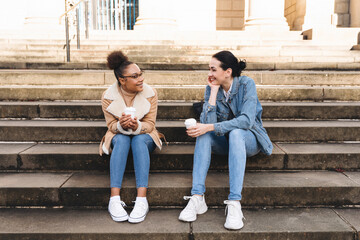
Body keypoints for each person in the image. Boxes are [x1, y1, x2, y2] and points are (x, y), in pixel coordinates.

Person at [178, 51, 273, 230]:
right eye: (209, 69)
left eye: (213, 69)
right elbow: (208, 124)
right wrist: (213, 92)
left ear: (227, 71)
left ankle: (235, 202)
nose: (210, 74)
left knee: (236, 132)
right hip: (225, 142)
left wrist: (211, 127)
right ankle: (197, 197)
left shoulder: (246, 84)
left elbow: (246, 121)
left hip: (249, 140)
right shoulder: (212, 87)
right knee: (203, 133)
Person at [99, 50, 163, 223]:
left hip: (145, 135)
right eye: (135, 76)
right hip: (119, 135)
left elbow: (150, 124)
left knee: (139, 140)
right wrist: (121, 125)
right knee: (122, 139)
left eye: (141, 74)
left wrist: (137, 126)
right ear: (122, 80)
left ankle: (142, 199)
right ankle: (114, 199)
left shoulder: (151, 93)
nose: (140, 79)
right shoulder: (107, 97)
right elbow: (110, 126)